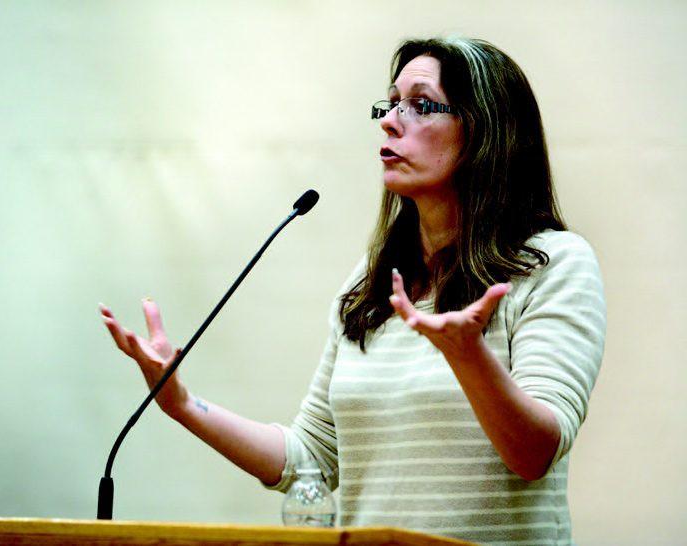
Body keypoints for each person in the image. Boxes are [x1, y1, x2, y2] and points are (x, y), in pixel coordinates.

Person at [99, 37, 606, 546]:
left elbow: (535, 453)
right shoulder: (373, 283)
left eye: (422, 105)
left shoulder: (552, 265)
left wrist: (468, 355)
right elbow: (311, 457)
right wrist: (183, 404)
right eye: (391, 104)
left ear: (486, 133)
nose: (390, 121)